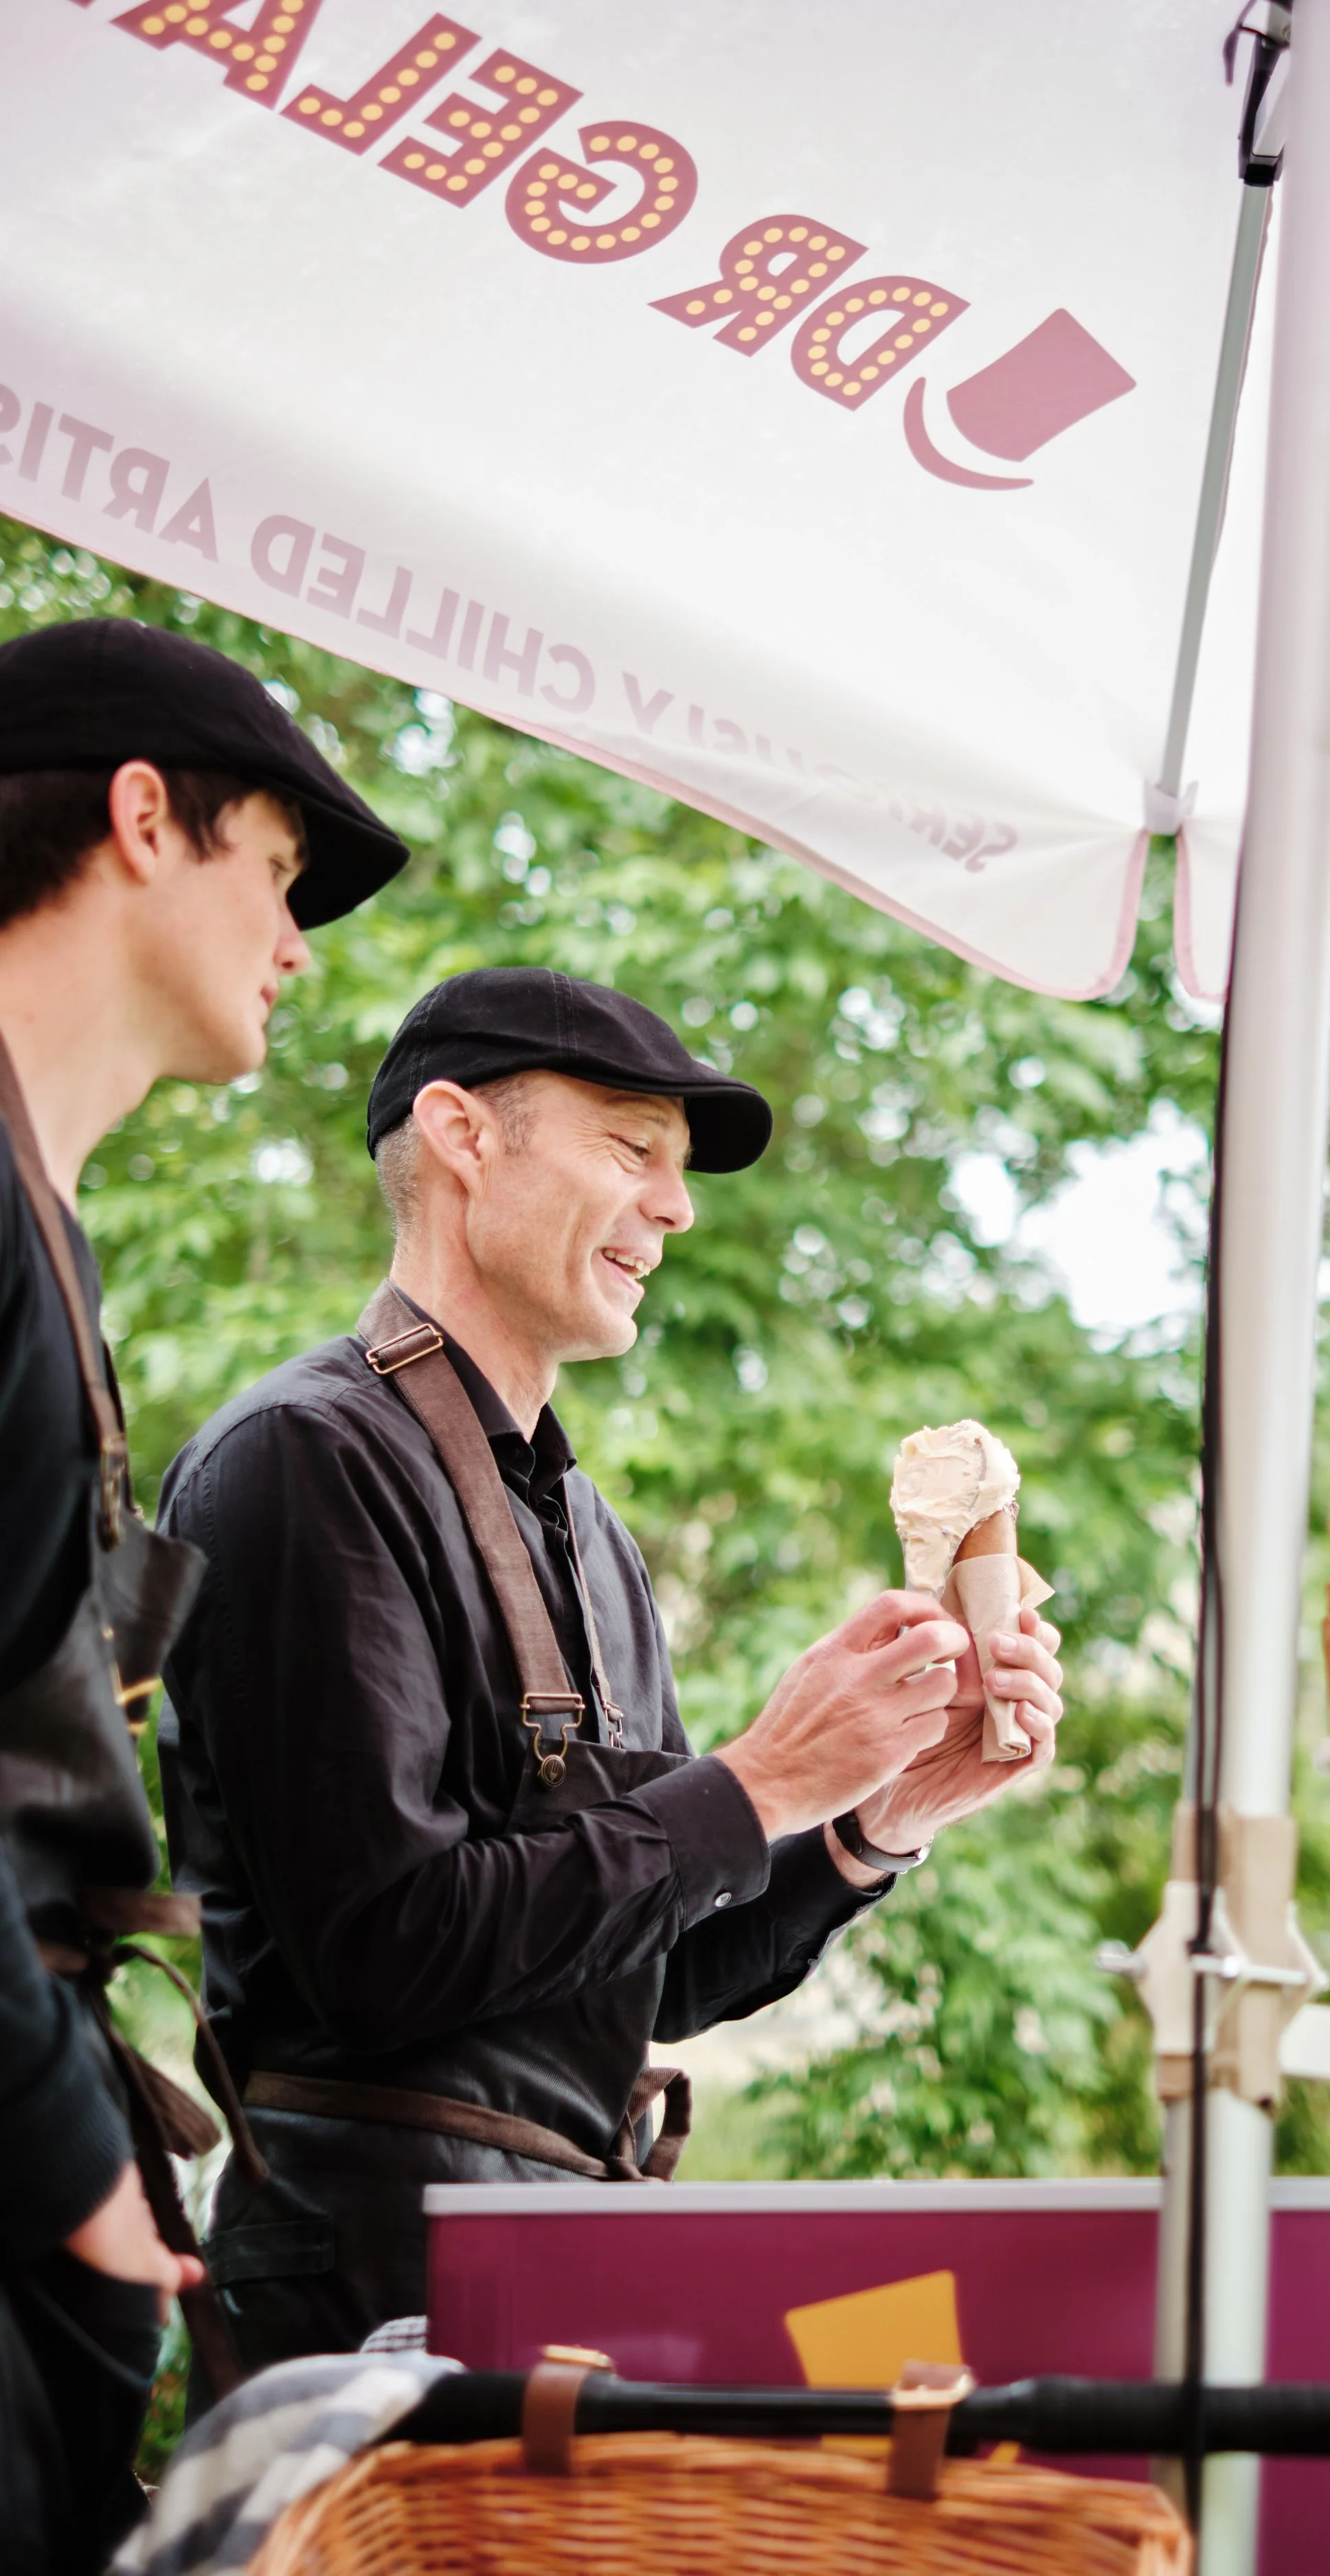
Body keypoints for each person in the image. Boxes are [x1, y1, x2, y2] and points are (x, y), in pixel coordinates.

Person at [157, 964, 1064, 2377]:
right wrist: (758, 1776)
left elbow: (654, 1975)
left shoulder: (589, 1536)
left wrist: (878, 1814)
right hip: (373, 2299)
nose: (678, 1209)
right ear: (462, 1136)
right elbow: (381, 1953)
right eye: (632, 1151)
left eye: (679, 1173)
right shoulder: (301, 1461)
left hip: (564, 2274)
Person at [0, 616, 407, 2574]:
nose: (301, 939)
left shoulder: (40, 1219)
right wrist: (73, 2159)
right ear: (142, 817)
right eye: (281, 869)